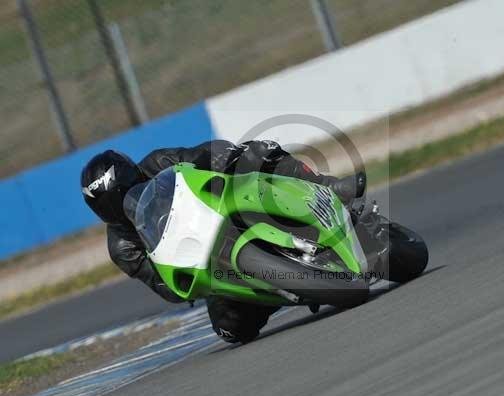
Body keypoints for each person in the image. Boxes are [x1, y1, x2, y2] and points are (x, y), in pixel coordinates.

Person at [80, 139, 366, 343]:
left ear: (133, 174)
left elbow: (203, 154)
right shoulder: (122, 247)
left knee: (258, 152)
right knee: (230, 330)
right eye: (108, 205)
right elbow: (168, 287)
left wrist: (228, 158)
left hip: (224, 203)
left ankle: (328, 186)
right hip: (209, 263)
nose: (120, 207)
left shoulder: (158, 163)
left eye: (123, 193)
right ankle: (282, 287)